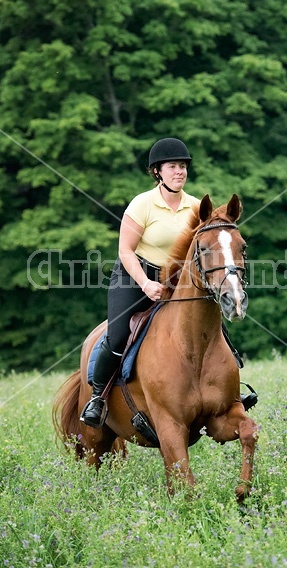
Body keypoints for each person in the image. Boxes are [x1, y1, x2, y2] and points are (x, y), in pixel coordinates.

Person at [81, 137, 255, 428]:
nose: (180, 171)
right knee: (120, 333)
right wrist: (146, 284)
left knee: (209, 327)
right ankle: (98, 397)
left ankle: (228, 392)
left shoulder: (197, 207)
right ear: (157, 172)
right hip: (134, 275)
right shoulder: (143, 204)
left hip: (176, 278)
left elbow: (209, 248)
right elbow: (125, 250)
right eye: (172, 166)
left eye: (183, 166)